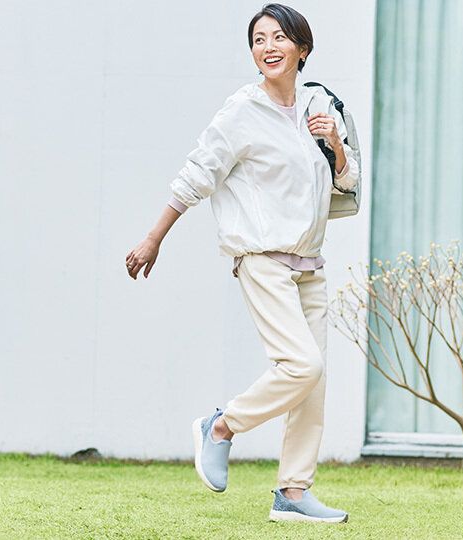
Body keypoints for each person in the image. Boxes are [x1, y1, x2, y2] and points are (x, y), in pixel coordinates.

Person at [124, 3, 358, 524]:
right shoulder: (240, 112)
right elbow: (196, 176)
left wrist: (335, 144)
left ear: (302, 48)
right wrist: (153, 239)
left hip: (310, 263)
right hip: (262, 259)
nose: (268, 47)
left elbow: (347, 182)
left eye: (279, 37)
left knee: (313, 383)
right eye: (258, 39)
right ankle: (221, 426)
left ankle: (293, 493)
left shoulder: (321, 103)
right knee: (301, 366)